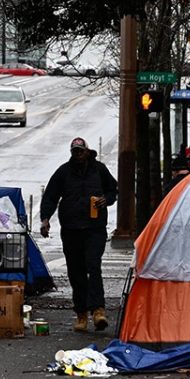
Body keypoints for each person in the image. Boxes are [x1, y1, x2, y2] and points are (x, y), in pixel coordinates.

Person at [39, 137, 118, 332]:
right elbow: (50, 196)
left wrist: (106, 199)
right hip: (71, 228)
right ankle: (81, 313)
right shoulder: (64, 172)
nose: (78, 154)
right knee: (76, 272)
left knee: (93, 266)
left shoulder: (99, 169)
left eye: (81, 151)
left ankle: (98, 311)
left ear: (87, 151)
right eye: (75, 151)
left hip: (94, 228)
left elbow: (113, 190)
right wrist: (45, 219)